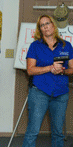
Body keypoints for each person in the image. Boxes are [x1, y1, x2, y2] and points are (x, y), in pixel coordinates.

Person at [22, 15, 73, 147]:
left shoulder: (66, 46)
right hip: (39, 93)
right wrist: (50, 68)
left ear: (53, 25)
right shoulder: (35, 46)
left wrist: (62, 70)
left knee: (58, 133)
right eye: (42, 25)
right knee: (32, 131)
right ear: (40, 29)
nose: (45, 27)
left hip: (61, 94)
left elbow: (72, 69)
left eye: (47, 23)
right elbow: (30, 70)